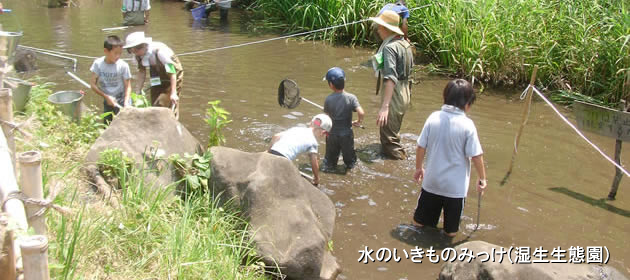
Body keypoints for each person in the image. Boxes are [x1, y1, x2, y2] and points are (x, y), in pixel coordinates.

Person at [412, 79, 487, 237]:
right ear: (467, 104)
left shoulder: (433, 118)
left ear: (445, 97)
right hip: (455, 189)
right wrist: (482, 179)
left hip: (432, 183)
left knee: (419, 224)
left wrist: (419, 168)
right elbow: (476, 156)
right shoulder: (468, 125)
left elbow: (420, 146)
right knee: (450, 232)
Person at [370, 10, 414, 159]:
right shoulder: (405, 44)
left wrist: (385, 107)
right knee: (393, 131)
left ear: (386, 29)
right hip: (405, 91)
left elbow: (390, 78)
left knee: (389, 139)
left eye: (380, 27)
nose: (378, 30)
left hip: (394, 93)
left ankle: (400, 166)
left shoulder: (389, 48)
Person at [123, 32, 184, 119]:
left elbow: (172, 71)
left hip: (173, 72)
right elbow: (142, 72)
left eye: (136, 51)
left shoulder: (160, 52)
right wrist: (138, 91)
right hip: (155, 72)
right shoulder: (138, 56)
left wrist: (174, 92)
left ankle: (173, 121)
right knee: (155, 100)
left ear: (143, 46)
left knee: (168, 100)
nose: (135, 54)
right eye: (131, 51)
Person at [268, 114, 332, 185]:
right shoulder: (313, 142)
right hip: (283, 160)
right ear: (322, 132)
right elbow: (314, 162)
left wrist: (268, 152)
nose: (323, 136)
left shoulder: (296, 128)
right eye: (325, 134)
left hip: (272, 152)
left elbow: (275, 136)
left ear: (311, 123)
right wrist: (316, 178)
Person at [322, 67, 365, 171]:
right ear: (344, 81)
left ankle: (330, 171)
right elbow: (361, 112)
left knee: (330, 161)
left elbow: (327, 118)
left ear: (331, 85)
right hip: (346, 134)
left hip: (332, 135)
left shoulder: (328, 99)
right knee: (350, 161)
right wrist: (359, 121)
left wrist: (324, 130)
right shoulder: (351, 97)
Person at [89, 35, 132, 125]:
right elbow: (93, 85)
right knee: (107, 125)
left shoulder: (123, 65)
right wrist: (106, 97)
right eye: (115, 53)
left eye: (120, 53)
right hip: (108, 99)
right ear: (106, 51)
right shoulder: (98, 64)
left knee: (126, 124)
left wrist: (126, 102)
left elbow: (128, 86)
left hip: (122, 99)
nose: (118, 56)